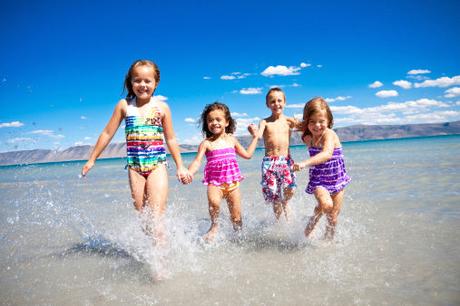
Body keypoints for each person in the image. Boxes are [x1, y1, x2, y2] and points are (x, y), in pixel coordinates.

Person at [81, 59, 191, 244]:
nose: (142, 85)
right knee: (144, 221)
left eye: (148, 81)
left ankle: (161, 268)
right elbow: (107, 133)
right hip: (135, 169)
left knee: (156, 220)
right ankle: (158, 249)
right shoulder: (124, 106)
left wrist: (181, 166)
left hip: (157, 166)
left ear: (156, 83)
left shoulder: (162, 107)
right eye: (137, 80)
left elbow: (170, 139)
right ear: (130, 82)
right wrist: (92, 159)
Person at [188, 102, 258, 241]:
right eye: (210, 120)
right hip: (215, 182)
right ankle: (214, 226)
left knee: (236, 218)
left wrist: (255, 137)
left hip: (233, 183)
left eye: (218, 119)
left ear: (226, 122)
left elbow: (247, 155)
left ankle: (239, 238)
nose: (214, 123)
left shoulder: (232, 139)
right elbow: (197, 161)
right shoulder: (206, 143)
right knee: (214, 202)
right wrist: (189, 172)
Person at [293, 97, 351, 240]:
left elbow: (326, 154)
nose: (317, 125)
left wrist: (304, 163)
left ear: (329, 121)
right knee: (326, 204)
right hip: (318, 179)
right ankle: (307, 233)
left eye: (321, 121)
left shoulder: (329, 134)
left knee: (333, 216)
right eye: (312, 121)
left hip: (337, 179)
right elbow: (291, 125)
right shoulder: (308, 138)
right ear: (307, 122)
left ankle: (327, 242)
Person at [257, 87, 298, 221]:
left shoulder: (289, 121)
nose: (276, 104)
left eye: (279, 100)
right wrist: (253, 132)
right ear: (267, 104)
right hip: (270, 162)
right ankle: (278, 223)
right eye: (272, 101)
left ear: (285, 102)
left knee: (289, 189)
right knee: (274, 196)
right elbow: (258, 135)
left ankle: (287, 207)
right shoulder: (265, 122)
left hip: (285, 161)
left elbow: (305, 128)